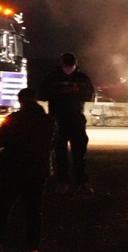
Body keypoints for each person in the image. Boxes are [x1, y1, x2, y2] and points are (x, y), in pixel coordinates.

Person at [0, 88, 54, 252]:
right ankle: (33, 251)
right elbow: (52, 144)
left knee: (3, 208)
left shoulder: (14, 119)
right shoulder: (48, 121)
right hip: (38, 171)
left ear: (20, 101)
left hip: (13, 168)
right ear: (36, 100)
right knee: (34, 212)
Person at [39, 52, 95, 193]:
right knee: (60, 153)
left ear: (75, 65)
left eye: (71, 66)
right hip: (58, 120)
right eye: (67, 66)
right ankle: (63, 182)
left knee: (79, 154)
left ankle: (82, 182)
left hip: (76, 119)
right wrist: (60, 92)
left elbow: (90, 95)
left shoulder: (82, 78)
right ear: (62, 64)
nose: (69, 69)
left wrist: (77, 92)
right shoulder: (53, 77)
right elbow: (42, 94)